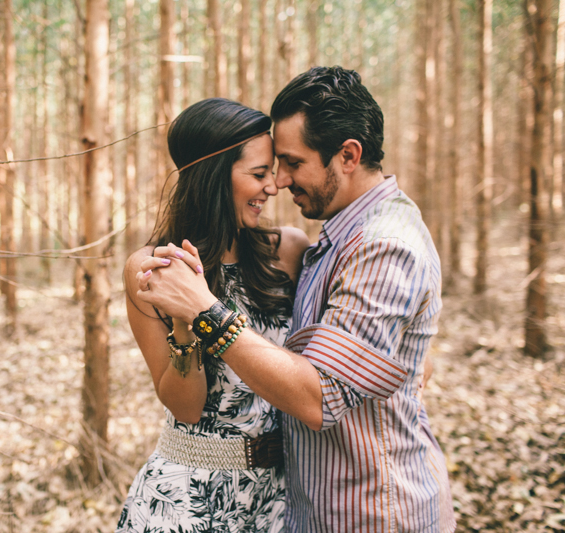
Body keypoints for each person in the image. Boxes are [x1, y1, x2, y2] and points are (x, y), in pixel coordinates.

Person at [136, 66, 456, 532]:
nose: (279, 182)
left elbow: (319, 395)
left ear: (347, 156)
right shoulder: (335, 242)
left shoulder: (376, 244)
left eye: (290, 163)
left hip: (372, 510)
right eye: (267, 168)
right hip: (288, 502)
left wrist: (205, 313)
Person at [116, 98, 310, 533]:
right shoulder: (153, 268)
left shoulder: (289, 251)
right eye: (258, 174)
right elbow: (184, 407)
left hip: (282, 499)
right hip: (187, 499)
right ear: (215, 178)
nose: (273, 186)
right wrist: (185, 323)